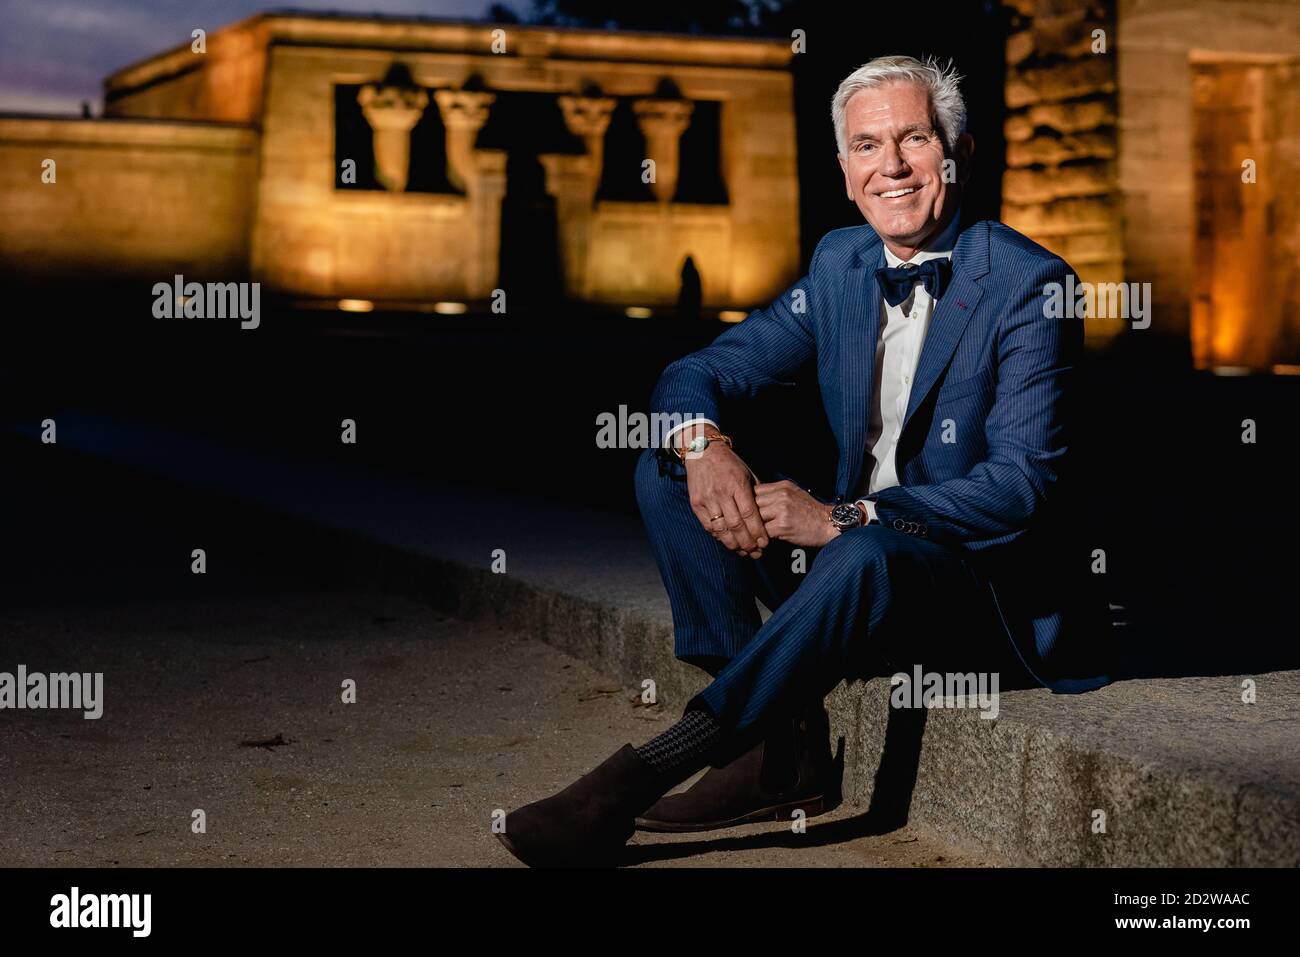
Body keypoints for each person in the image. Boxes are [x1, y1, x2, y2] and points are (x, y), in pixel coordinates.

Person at [496, 54, 1114, 867]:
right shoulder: (839, 264)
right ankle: (776, 747)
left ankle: (642, 774)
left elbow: (1022, 486)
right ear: (846, 173)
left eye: (915, 139)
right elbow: (700, 371)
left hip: (973, 594)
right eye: (867, 146)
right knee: (668, 469)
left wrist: (843, 516)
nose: (891, 166)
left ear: (958, 153)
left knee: (862, 550)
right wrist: (706, 446)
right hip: (852, 574)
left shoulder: (1031, 284)